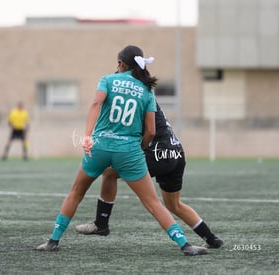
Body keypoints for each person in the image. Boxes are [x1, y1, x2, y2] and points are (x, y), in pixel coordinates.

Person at [36, 45, 208, 256]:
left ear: (121, 63)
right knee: (153, 203)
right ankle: (185, 245)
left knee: (76, 193)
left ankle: (53, 241)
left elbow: (95, 104)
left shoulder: (107, 80)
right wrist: (139, 148)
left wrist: (88, 135)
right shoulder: (146, 89)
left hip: (100, 147)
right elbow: (151, 130)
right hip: (129, 151)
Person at [75, 102, 224, 249]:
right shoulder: (146, 94)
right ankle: (211, 238)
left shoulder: (138, 97)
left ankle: (101, 224)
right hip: (176, 152)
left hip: (158, 154)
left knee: (109, 174)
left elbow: (147, 132)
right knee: (174, 204)